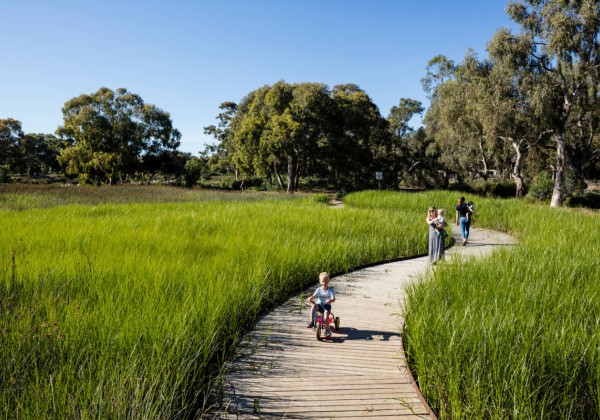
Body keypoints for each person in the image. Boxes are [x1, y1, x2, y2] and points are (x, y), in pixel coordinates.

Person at [306, 272, 336, 337]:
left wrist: (330, 300)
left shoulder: (330, 290)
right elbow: (314, 296)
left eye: (326, 281)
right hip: (319, 305)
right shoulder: (318, 290)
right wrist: (310, 298)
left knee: (326, 313)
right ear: (320, 281)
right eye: (323, 281)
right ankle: (311, 322)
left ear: (329, 281)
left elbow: (333, 299)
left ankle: (327, 330)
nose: (324, 283)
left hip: (326, 305)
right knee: (313, 305)